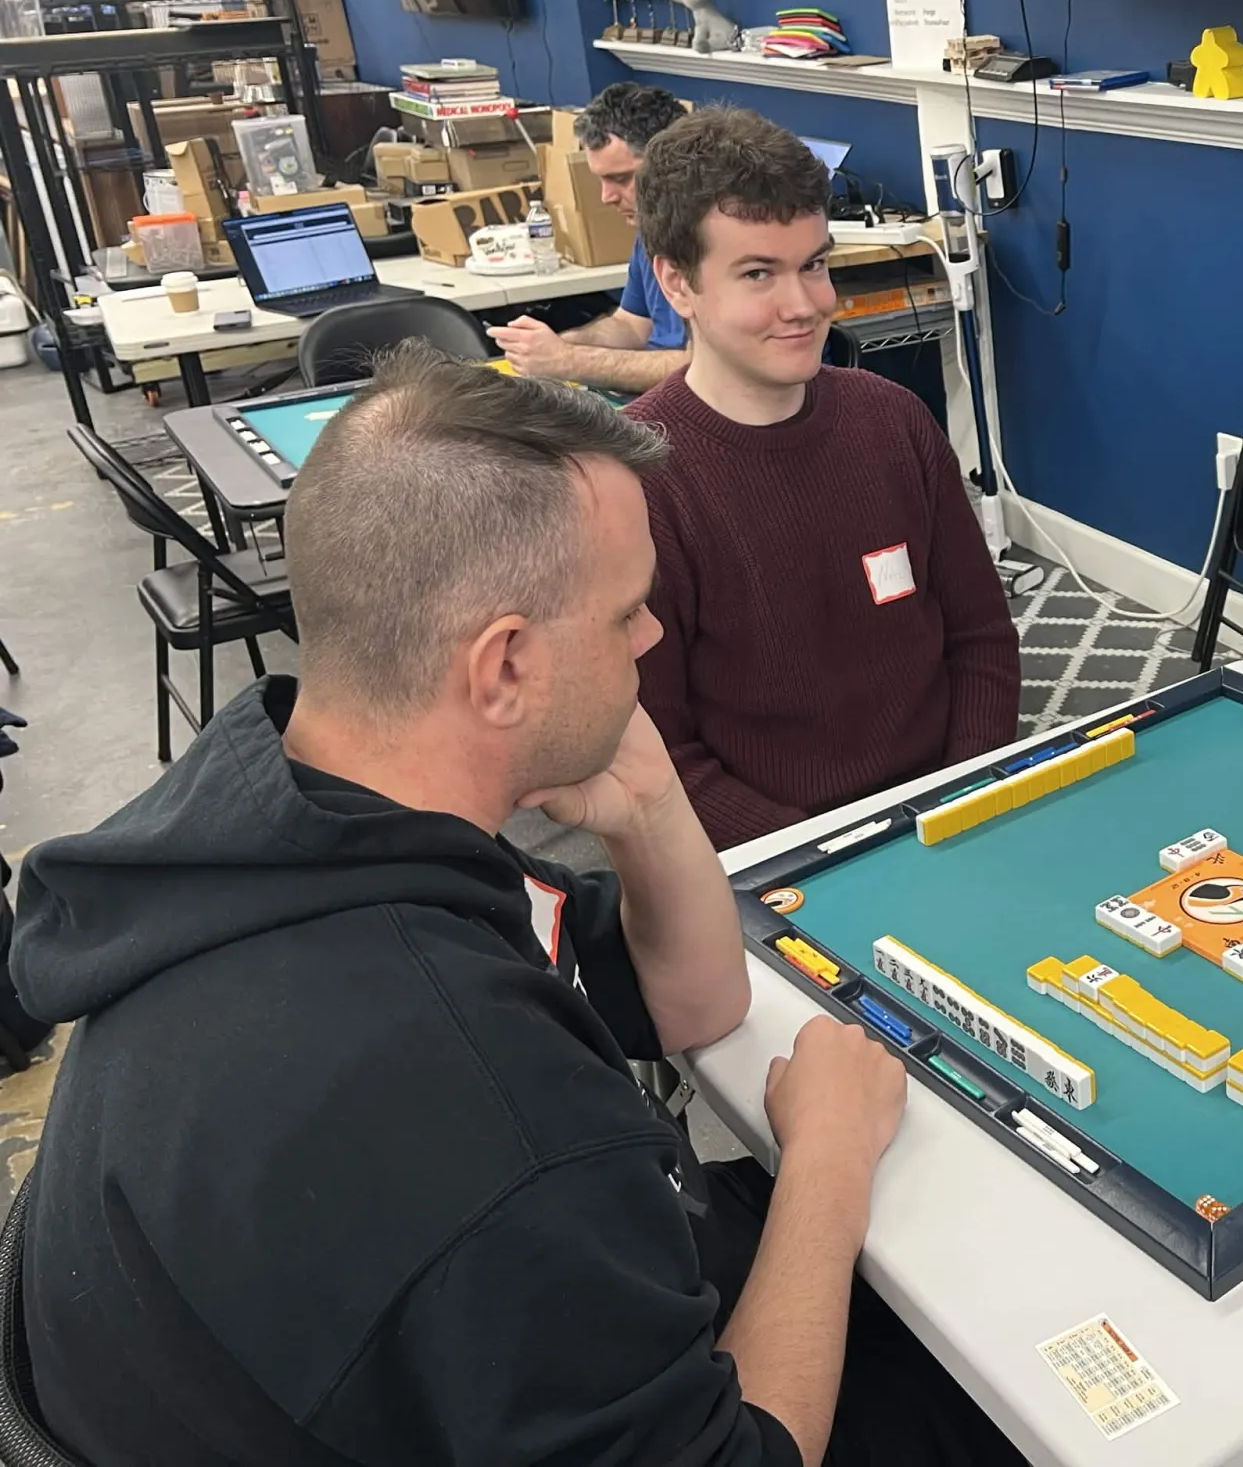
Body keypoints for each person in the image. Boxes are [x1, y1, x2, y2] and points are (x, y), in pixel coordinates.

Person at [14, 352, 1019, 1467]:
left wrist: (646, 807)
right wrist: (825, 1159)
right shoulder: (466, 1095)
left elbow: (689, 1001)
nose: (649, 643)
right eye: (627, 614)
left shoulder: (299, 816)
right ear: (501, 669)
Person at [626, 107, 1019, 852]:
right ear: (676, 283)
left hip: (948, 813)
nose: (804, 305)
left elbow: (981, 640)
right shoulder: (638, 484)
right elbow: (659, 753)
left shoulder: (895, 419)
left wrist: (961, 796)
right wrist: (840, 856)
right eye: (756, 274)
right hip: (780, 858)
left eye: (813, 263)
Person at [488, 80, 694, 392]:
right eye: (601, 180)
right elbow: (632, 327)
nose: (606, 197)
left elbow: (705, 369)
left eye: (621, 179)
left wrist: (570, 360)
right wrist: (559, 344)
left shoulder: (721, 242)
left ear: (676, 163)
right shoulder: (650, 230)